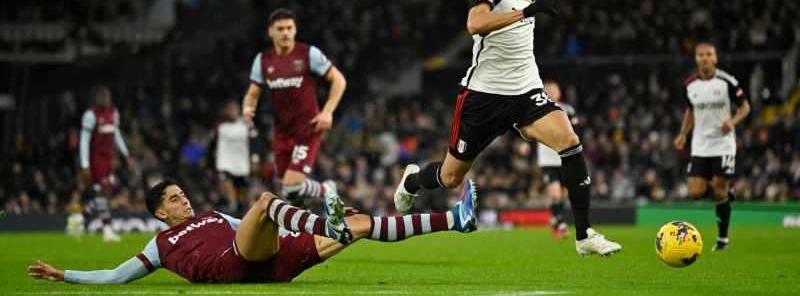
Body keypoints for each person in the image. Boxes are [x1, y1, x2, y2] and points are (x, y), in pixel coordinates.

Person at [394, 0, 620, 257]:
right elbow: (475, 23)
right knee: (451, 176)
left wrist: (528, 9)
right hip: (484, 97)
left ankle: (584, 234)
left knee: (569, 141)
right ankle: (413, 181)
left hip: (526, 91)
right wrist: (527, 12)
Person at [27, 178, 478, 284]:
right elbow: (113, 276)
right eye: (174, 200)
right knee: (264, 201)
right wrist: (64, 275)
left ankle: (454, 220)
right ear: (160, 214)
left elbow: (254, 227)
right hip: (237, 264)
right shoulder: (159, 246)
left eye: (182, 195)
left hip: (273, 264)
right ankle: (328, 222)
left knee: (359, 225)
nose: (184, 200)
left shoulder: (213, 217)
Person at [243, 9, 346, 207]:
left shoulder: (309, 54)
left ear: (295, 30)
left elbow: (339, 80)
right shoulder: (263, 61)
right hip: (281, 133)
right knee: (289, 191)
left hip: (308, 129)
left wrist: (327, 111)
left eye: (289, 28)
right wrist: (248, 110)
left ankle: (327, 189)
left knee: (291, 185)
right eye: (280, 29)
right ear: (271, 31)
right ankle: (304, 228)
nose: (285, 33)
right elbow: (252, 94)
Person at [674, 42, 750, 251]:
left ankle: (722, 240)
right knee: (695, 192)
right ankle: (726, 192)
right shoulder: (690, 85)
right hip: (700, 145)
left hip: (723, 144)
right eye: (701, 55)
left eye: (709, 54)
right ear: (696, 59)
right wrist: (683, 133)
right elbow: (691, 111)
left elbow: (745, 106)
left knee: (718, 191)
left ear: (715, 58)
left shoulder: (727, 81)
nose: (705, 58)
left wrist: (732, 123)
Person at [79, 86, 129, 242]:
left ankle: (79, 219)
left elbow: (117, 136)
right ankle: (107, 229)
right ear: (97, 99)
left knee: (105, 193)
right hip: (96, 158)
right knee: (103, 192)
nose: (105, 100)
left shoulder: (114, 114)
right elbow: (84, 140)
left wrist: (126, 154)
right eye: (102, 97)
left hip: (108, 159)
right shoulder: (90, 115)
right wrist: (85, 163)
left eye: (107, 97)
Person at [536, 80, 577, 240]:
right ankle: (560, 225)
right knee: (555, 194)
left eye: (554, 89)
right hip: (547, 161)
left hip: (564, 158)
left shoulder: (568, 110)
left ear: (559, 92)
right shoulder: (538, 109)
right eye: (548, 90)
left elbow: (576, 130)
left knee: (562, 196)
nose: (551, 92)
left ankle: (555, 219)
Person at [213, 101, 253, 216]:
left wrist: (255, 158)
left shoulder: (245, 125)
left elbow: (254, 141)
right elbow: (213, 145)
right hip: (225, 164)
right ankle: (231, 205)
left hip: (241, 166)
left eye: (234, 109)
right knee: (227, 183)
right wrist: (211, 163)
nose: (232, 111)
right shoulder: (219, 126)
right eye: (230, 109)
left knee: (242, 192)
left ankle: (241, 211)